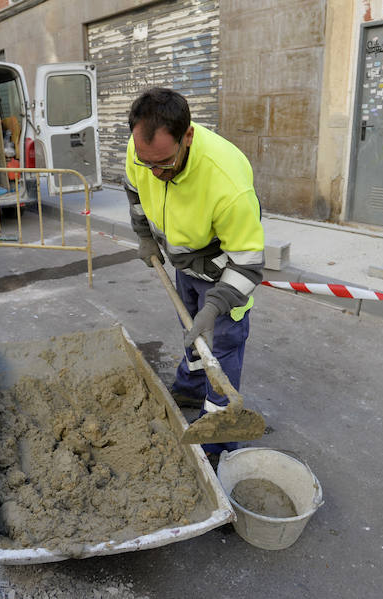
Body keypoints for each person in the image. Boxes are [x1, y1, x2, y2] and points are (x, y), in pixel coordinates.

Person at [124, 87, 265, 456]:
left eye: (165, 164)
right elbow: (134, 190)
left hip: (223, 270)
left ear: (187, 136)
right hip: (183, 262)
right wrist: (145, 237)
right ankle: (189, 387)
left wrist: (216, 305)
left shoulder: (226, 181)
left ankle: (218, 442)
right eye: (146, 162)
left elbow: (248, 262)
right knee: (192, 334)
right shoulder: (141, 152)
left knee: (222, 345)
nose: (154, 173)